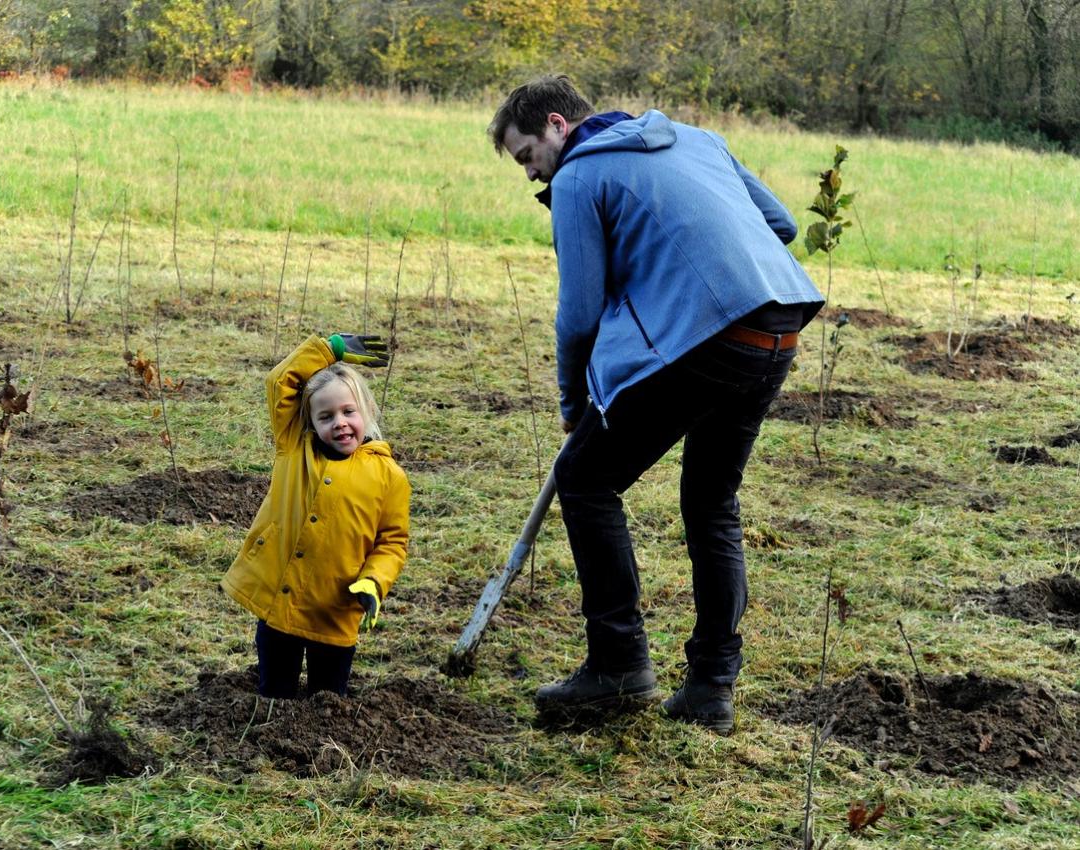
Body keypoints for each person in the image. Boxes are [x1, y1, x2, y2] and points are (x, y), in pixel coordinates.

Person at [489, 74, 824, 731]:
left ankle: (617, 667)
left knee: (584, 478)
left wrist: (573, 400)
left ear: (558, 125)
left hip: (714, 337)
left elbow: (579, 315)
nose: (530, 173)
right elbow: (779, 224)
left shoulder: (580, 180)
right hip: (777, 326)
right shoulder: (698, 140)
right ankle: (710, 688)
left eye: (527, 155)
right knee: (711, 500)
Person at [221, 332, 410, 698]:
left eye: (348, 412)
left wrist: (374, 583)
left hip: (336, 611)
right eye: (326, 416)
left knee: (328, 702)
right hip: (282, 605)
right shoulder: (294, 446)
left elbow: (393, 543)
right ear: (309, 421)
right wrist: (329, 349)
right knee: (275, 694)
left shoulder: (390, 477)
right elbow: (280, 381)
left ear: (367, 411)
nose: (339, 422)